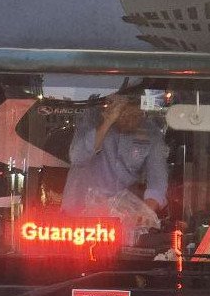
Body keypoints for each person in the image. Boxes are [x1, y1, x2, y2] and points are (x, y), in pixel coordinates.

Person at [62, 95, 169, 224]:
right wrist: (107, 122)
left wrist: (144, 212)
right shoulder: (92, 119)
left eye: (134, 110)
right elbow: (78, 157)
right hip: (78, 215)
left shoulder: (151, 134)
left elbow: (157, 182)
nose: (129, 116)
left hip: (121, 219)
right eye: (123, 110)